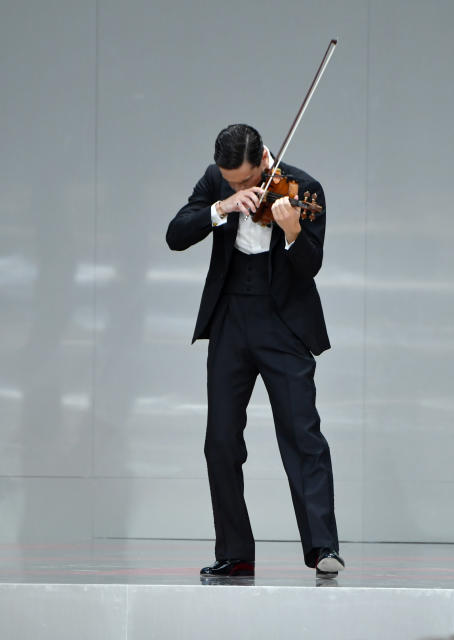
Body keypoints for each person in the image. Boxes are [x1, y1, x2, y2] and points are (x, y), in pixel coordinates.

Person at [166, 124, 342, 577]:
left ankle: (323, 548)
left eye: (246, 180)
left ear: (265, 158)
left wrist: (291, 230)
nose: (243, 189)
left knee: (303, 436)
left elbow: (309, 267)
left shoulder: (303, 188)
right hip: (230, 320)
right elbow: (176, 234)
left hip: (284, 322)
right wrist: (221, 206)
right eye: (232, 182)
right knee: (220, 440)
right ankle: (236, 552)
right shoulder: (217, 182)